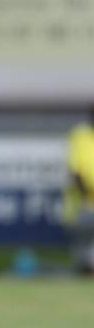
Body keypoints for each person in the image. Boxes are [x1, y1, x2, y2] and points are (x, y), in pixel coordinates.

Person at [63, 104, 94, 274]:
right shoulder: (81, 136)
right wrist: (86, 195)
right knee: (83, 258)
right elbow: (76, 173)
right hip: (84, 207)